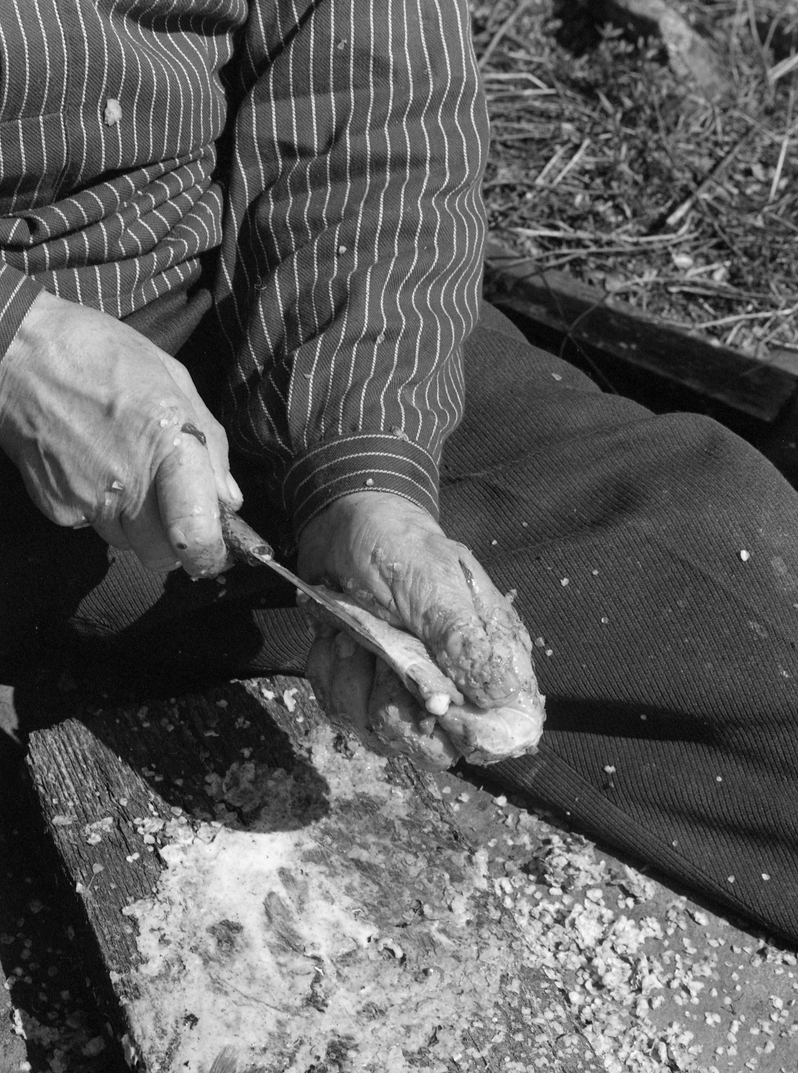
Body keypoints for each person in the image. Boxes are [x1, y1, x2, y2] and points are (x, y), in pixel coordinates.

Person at [0, 1, 797, 944]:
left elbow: (371, 98)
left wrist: (365, 469)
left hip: (222, 295)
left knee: (742, 581)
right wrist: (15, 342)